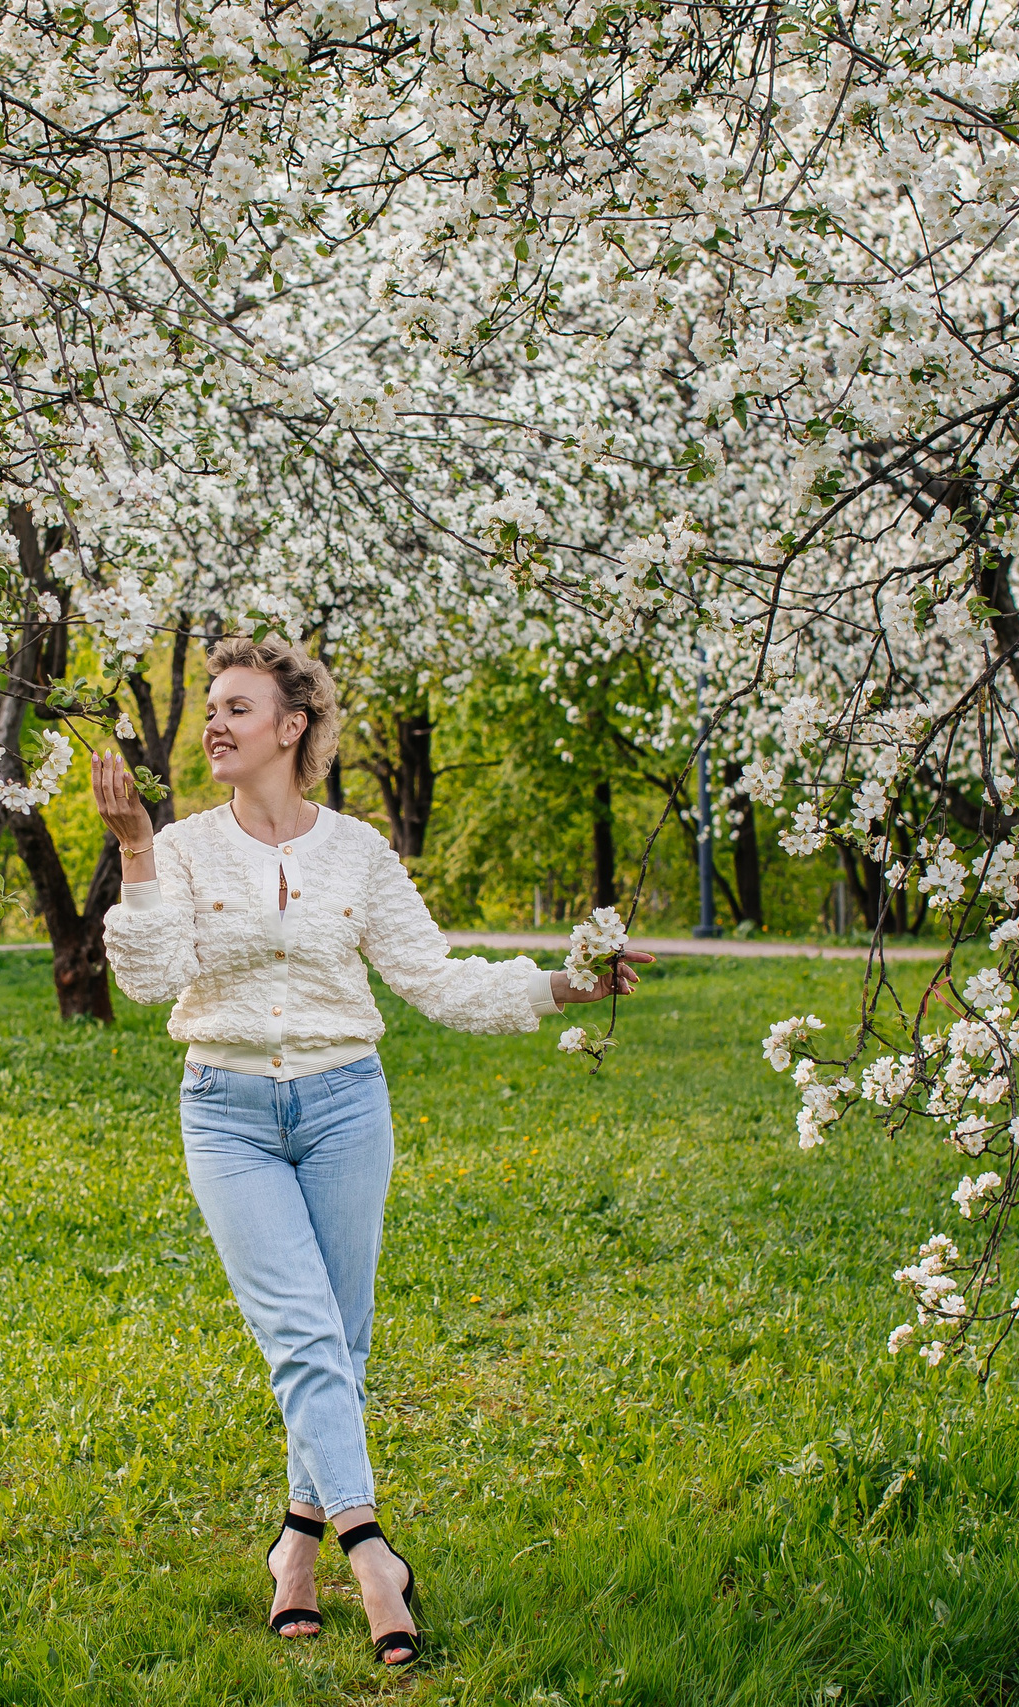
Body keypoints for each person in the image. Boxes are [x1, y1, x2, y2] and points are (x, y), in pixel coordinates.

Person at [91, 636, 649, 1667]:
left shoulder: (356, 852)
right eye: (209, 707)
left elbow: (435, 979)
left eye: (236, 708)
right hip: (227, 1110)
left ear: (293, 727)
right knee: (304, 1334)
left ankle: (291, 1553)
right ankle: (369, 1551)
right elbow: (149, 980)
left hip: (347, 1106)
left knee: (337, 1346)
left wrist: (564, 983)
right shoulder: (183, 848)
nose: (213, 724)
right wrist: (133, 850)